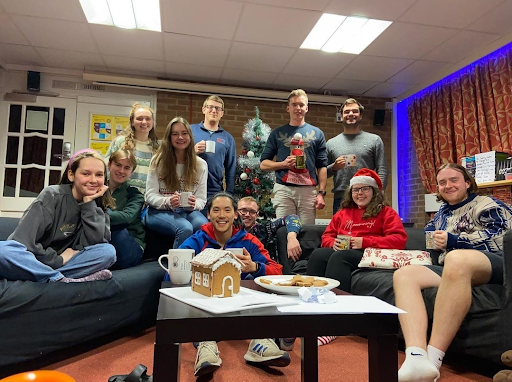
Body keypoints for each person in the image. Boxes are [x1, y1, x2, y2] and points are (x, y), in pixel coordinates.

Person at [395, 163, 512, 382]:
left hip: (494, 263)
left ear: (467, 183)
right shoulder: (440, 214)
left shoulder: (487, 204)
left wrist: (455, 240)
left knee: (456, 258)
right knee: (405, 274)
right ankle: (416, 356)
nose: (448, 185)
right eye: (442, 182)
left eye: (454, 180)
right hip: (452, 268)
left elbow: (502, 238)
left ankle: (433, 358)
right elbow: (431, 244)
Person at [176, 192, 288, 377]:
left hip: (242, 309)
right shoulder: (198, 240)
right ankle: (206, 344)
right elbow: (174, 269)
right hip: (207, 310)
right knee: (195, 284)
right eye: (216, 210)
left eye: (227, 210)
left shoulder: (249, 241)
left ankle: (261, 341)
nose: (222, 215)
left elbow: (277, 271)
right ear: (209, 215)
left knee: (253, 280)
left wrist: (254, 266)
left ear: (235, 214)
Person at [0, 149, 116, 283]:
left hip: (68, 264)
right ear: (71, 175)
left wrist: (88, 205)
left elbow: (94, 246)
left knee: (108, 252)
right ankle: (58, 278)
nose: (93, 180)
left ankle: (49, 277)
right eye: (86, 173)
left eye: (99, 175)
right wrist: (58, 259)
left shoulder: (99, 205)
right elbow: (22, 242)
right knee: (3, 250)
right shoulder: (52, 195)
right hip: (35, 260)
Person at [306, 168, 407, 292]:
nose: (360, 193)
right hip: (344, 250)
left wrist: (365, 242)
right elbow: (327, 236)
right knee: (318, 254)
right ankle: (309, 294)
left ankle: (340, 300)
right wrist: (333, 243)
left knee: (340, 257)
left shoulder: (386, 212)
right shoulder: (343, 213)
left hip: (370, 253)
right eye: (355, 189)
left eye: (365, 189)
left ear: (374, 191)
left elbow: (399, 240)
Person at [260, 89, 328, 224]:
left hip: (308, 191)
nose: (298, 108)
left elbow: (322, 166)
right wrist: (283, 164)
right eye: (294, 105)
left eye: (301, 105)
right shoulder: (277, 133)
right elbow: (263, 164)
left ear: (307, 108)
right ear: (288, 108)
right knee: (283, 230)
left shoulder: (317, 133)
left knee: (307, 232)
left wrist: (321, 193)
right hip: (284, 189)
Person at [144, 116, 208, 249]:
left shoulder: (201, 165)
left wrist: (193, 204)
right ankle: (174, 269)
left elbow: (202, 199)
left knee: (202, 225)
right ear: (169, 137)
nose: (180, 137)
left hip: (186, 210)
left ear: (190, 136)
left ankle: (196, 265)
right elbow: (149, 196)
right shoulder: (158, 161)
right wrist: (168, 202)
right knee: (185, 228)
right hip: (157, 210)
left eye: (184, 133)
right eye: (175, 134)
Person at [326, 98, 388, 213]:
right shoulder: (331, 143)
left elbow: (382, 168)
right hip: (341, 197)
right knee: (342, 231)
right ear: (341, 116)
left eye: (354, 111)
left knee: (368, 230)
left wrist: (380, 191)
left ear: (360, 116)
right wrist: (334, 167)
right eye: (347, 112)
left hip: (368, 196)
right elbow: (322, 173)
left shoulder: (374, 140)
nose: (350, 114)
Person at [191, 95, 236, 209]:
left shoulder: (227, 138)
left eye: (218, 108)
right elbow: (176, 155)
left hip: (214, 191)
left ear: (222, 113)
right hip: (191, 188)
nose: (214, 110)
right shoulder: (190, 130)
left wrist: (229, 194)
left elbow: (231, 168)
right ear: (203, 109)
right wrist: (193, 151)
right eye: (210, 107)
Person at [105, 103, 159, 194]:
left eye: (148, 119)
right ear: (132, 122)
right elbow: (106, 168)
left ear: (152, 122)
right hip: (120, 197)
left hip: (146, 201)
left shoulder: (158, 149)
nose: (144, 122)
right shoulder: (120, 142)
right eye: (139, 118)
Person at [107, 149, 145, 269]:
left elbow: (126, 217)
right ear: (109, 165)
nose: (121, 171)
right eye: (118, 165)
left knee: (116, 228)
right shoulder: (97, 188)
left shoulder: (135, 195)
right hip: (103, 244)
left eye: (127, 168)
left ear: (131, 171)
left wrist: (95, 213)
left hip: (131, 246)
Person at [237, 196, 302, 262]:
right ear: (236, 212)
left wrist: (291, 237)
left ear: (257, 215)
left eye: (252, 211)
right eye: (243, 210)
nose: (247, 214)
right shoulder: (228, 230)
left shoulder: (264, 229)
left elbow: (292, 217)